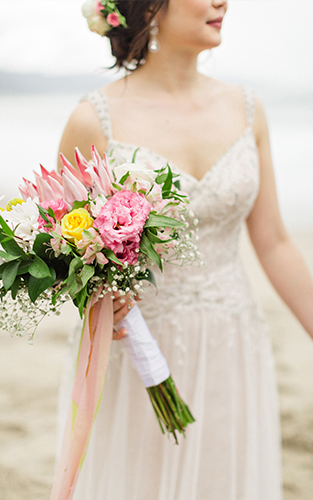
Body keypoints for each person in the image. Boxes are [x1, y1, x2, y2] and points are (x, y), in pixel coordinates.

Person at [56, 0, 313, 498]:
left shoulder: (247, 109)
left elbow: (275, 241)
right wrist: (99, 301)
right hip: (137, 348)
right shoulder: (94, 120)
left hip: (232, 340)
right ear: (150, 7)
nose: (223, 2)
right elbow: (69, 250)